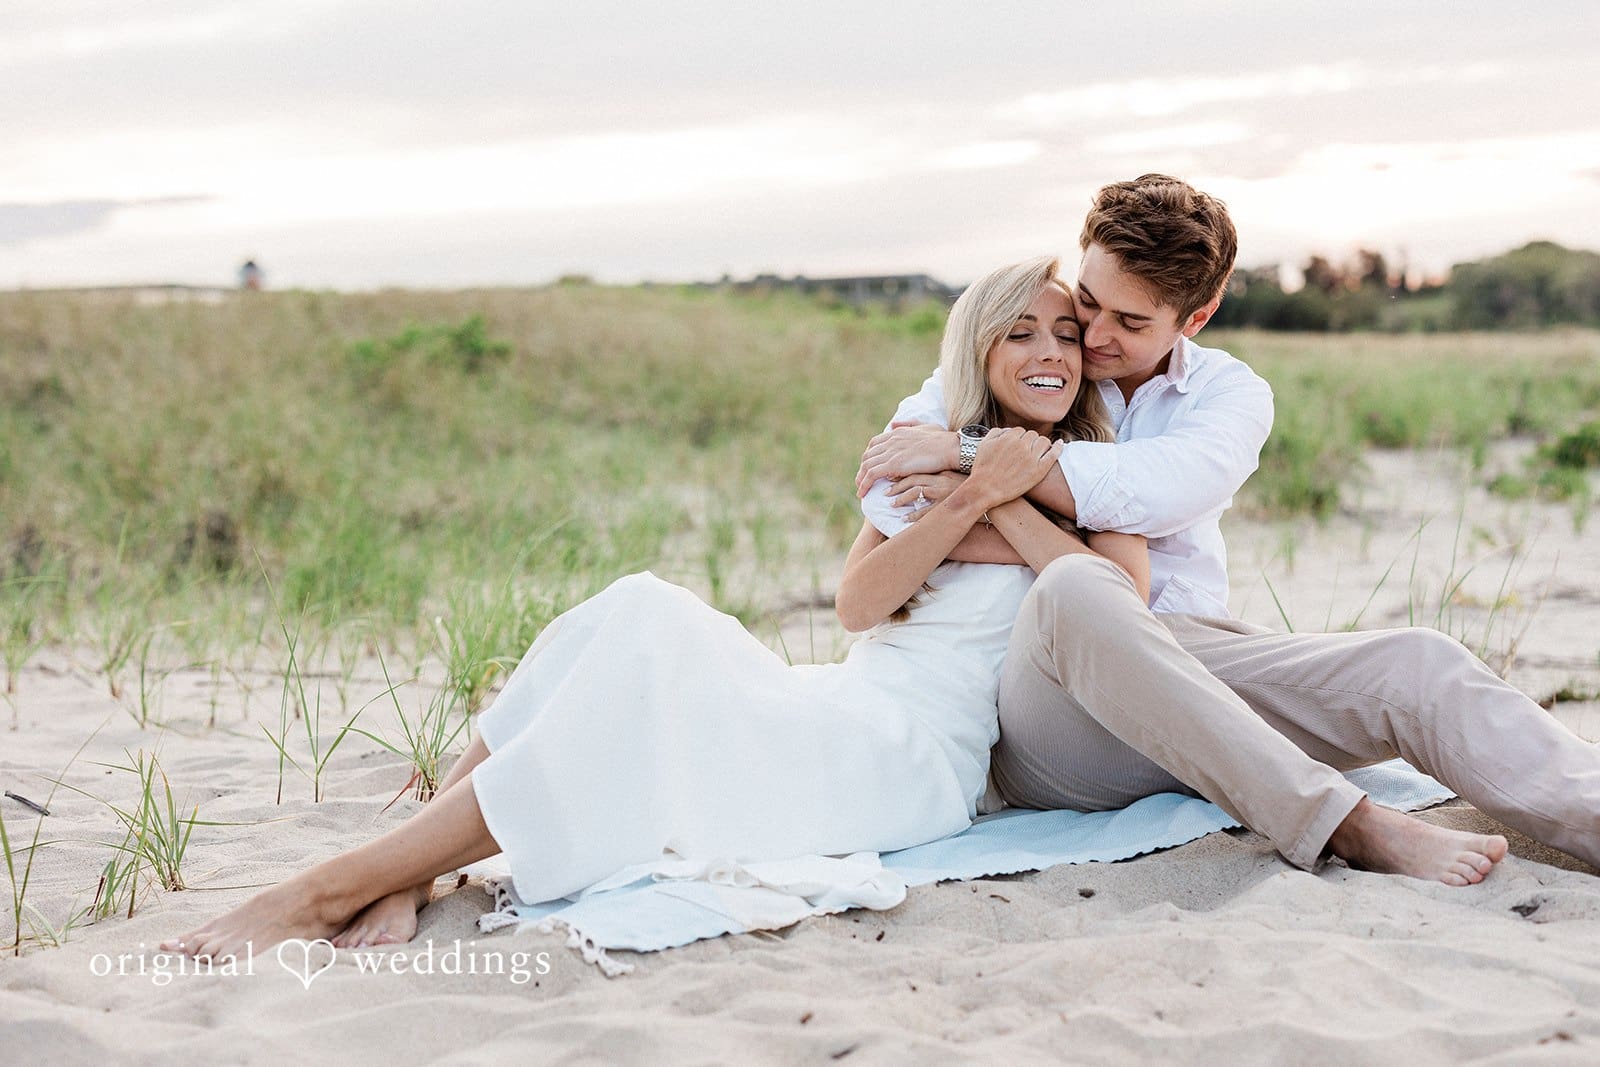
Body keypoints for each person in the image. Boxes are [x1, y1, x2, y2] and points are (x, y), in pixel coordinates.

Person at [163, 256, 1149, 960]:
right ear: (976, 353)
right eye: (1018, 331)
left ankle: (330, 886)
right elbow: (857, 605)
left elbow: (1113, 604)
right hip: (848, 697)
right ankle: (416, 857)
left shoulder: (1110, 483)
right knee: (638, 609)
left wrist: (996, 484)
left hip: (918, 762)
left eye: (1066, 332)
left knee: (643, 705)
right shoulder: (923, 461)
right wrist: (977, 484)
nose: (1048, 349)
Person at [858, 174, 1600, 886]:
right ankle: (1340, 821)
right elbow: (891, 484)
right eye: (1090, 302)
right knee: (1078, 589)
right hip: (1050, 706)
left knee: (1418, 663)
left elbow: (1139, 494)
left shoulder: (1228, 397)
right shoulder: (1034, 357)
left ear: (1195, 318)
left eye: (1131, 321)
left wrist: (977, 466)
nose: (1092, 334)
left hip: (1195, 656)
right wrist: (982, 480)